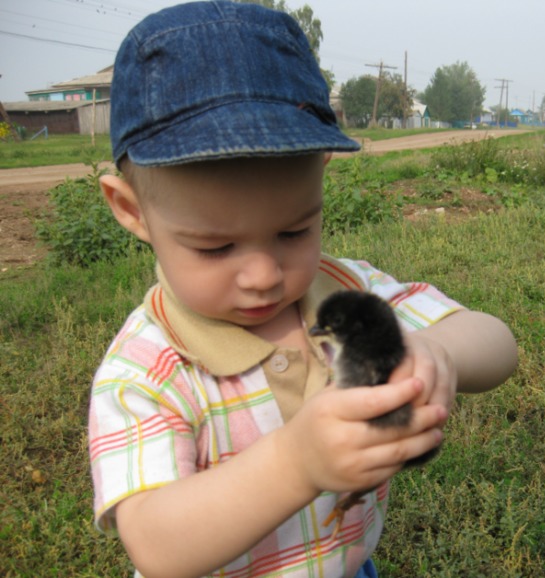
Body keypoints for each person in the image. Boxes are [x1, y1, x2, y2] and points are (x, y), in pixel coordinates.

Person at [88, 2, 518, 577]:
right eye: (216, 248)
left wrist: (440, 353)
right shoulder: (149, 369)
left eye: (294, 231)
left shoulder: (348, 294)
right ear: (131, 210)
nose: (264, 274)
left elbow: (497, 342)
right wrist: (295, 464)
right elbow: (158, 546)